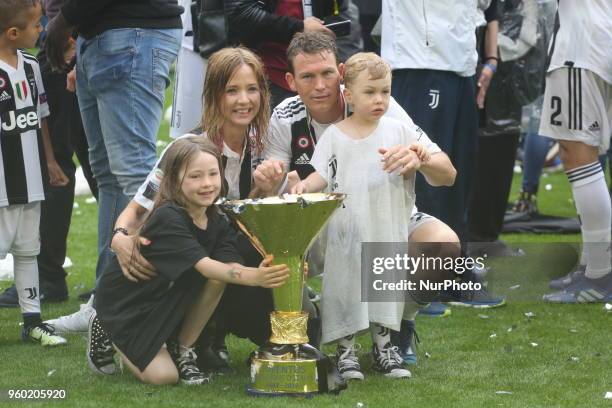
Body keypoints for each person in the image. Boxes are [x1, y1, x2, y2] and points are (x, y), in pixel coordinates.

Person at [252, 32, 459, 367]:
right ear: (291, 80)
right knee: (273, 248)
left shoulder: (382, 104)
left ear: (342, 71)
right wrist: (273, 182)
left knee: (443, 246)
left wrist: (419, 160)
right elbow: (277, 194)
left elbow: (447, 174)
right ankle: (308, 320)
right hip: (322, 224)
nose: (320, 85)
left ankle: (400, 325)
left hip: (387, 218)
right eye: (308, 76)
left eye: (327, 73)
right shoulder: (284, 117)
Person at [106, 47, 316, 373]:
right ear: (214, 95)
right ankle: (192, 336)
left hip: (224, 251)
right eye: (231, 90)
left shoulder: (263, 145)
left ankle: (225, 333)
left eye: (252, 89)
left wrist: (264, 190)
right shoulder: (188, 147)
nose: (243, 100)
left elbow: (243, 219)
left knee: (308, 325)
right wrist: (119, 237)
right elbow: (136, 209)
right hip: (180, 266)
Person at [89, 136, 289, 385]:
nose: (206, 184)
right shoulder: (168, 217)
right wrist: (253, 277)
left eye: (213, 174)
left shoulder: (217, 218)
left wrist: (262, 272)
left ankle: (183, 349)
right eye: (195, 176)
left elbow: (228, 267)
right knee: (164, 377)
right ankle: (106, 326)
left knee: (218, 278)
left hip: (165, 300)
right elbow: (203, 265)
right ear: (174, 180)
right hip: (129, 306)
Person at [43, 0, 182, 295]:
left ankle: (146, 300)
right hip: (104, 35)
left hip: (130, 33)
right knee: (109, 176)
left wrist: (61, 22)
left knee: (134, 175)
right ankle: (107, 298)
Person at [0, 0, 68, 345]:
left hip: (31, 180)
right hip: (1, 186)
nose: (41, 29)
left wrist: (51, 162)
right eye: (36, 25)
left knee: (28, 251)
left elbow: (40, 117)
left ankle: (32, 321)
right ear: (13, 33)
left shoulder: (30, 65)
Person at [539, 0, 612, 303]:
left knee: (578, 152)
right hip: (596, 40)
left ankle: (600, 273)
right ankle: (592, 263)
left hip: (582, 48)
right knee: (583, 152)